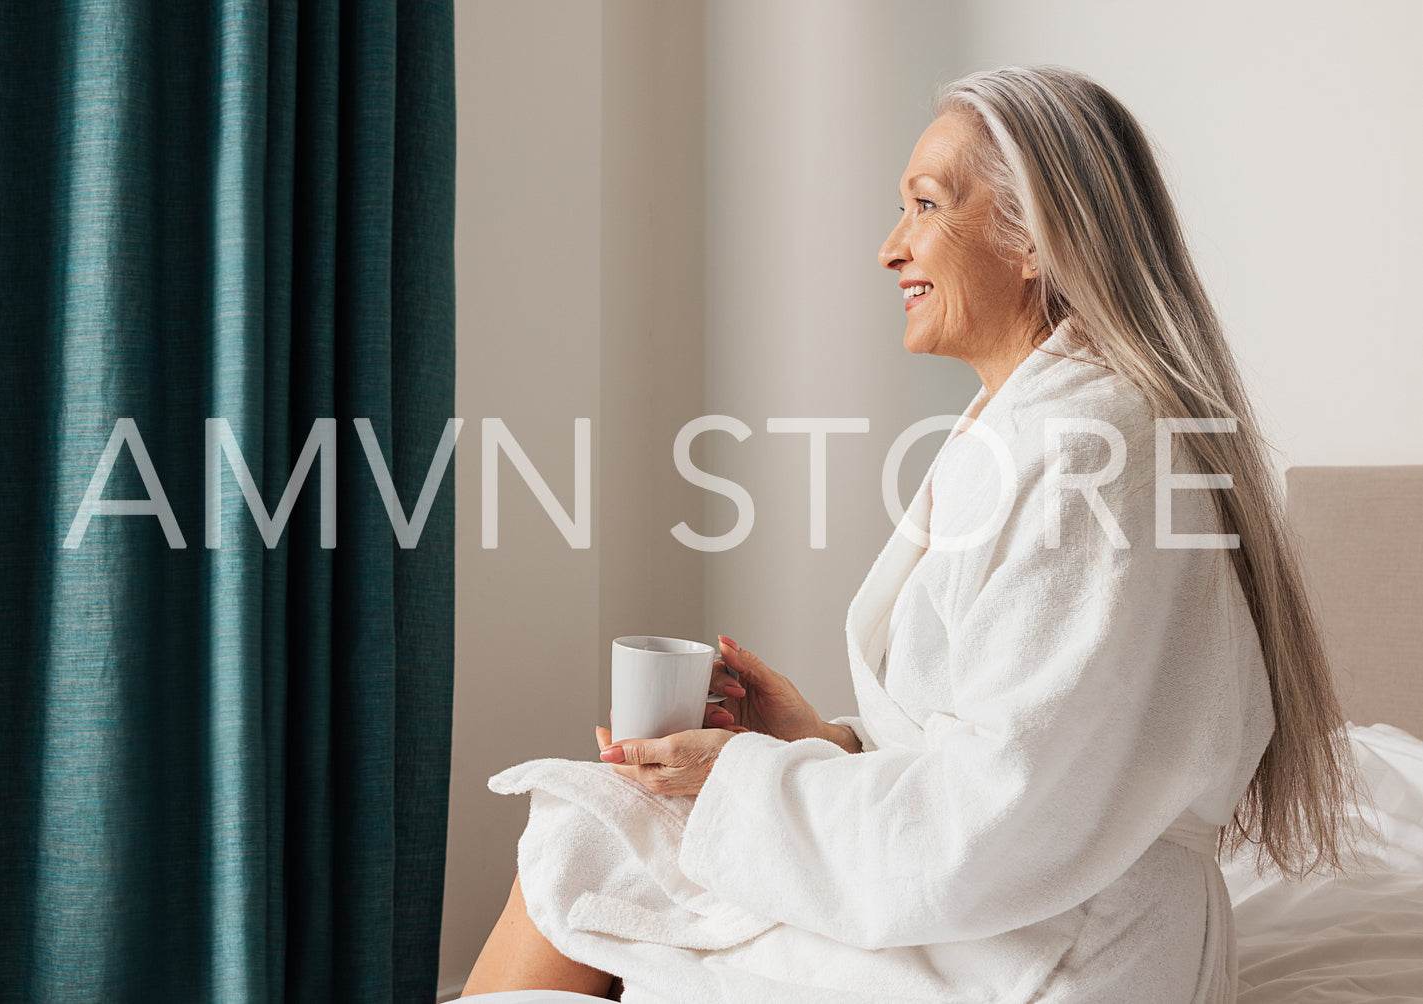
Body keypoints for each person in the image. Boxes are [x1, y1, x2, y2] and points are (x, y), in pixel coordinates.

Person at [461, 65, 1370, 1003]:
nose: (891, 248)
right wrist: (825, 742)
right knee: (599, 838)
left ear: (1035, 239)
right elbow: (1019, 751)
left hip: (1062, 943)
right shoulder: (1027, 428)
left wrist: (743, 778)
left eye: (925, 205)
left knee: (592, 838)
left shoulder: (1095, 454)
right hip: (1013, 901)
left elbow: (1009, 814)